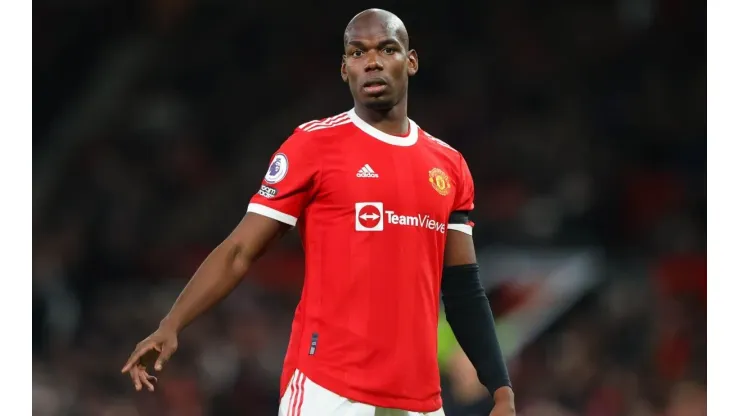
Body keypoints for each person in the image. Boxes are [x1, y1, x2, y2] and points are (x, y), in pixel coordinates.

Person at [121, 8, 516, 416]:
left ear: (410, 61)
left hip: (419, 402)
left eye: (387, 49)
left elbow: (464, 289)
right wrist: (173, 323)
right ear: (345, 69)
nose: (373, 61)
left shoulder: (448, 166)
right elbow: (240, 250)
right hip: (328, 392)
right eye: (358, 53)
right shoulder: (313, 147)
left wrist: (500, 389)